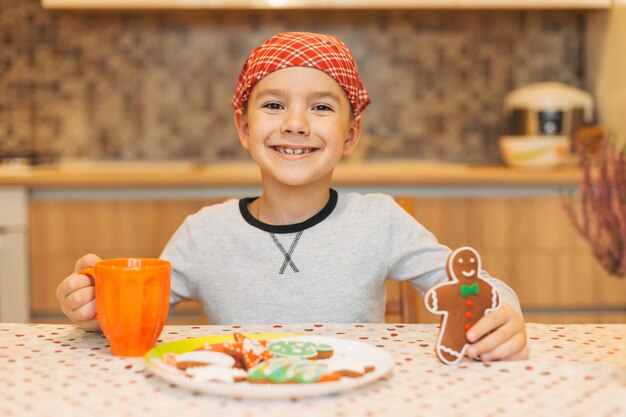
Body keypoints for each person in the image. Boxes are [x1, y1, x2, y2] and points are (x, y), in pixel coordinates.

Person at [56, 32, 528, 362]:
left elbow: (477, 285)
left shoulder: (381, 221)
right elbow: (130, 322)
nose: (296, 123)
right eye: (274, 105)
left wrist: (502, 314)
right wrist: (92, 307)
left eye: (321, 107)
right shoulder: (203, 234)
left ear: (350, 135)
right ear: (244, 127)